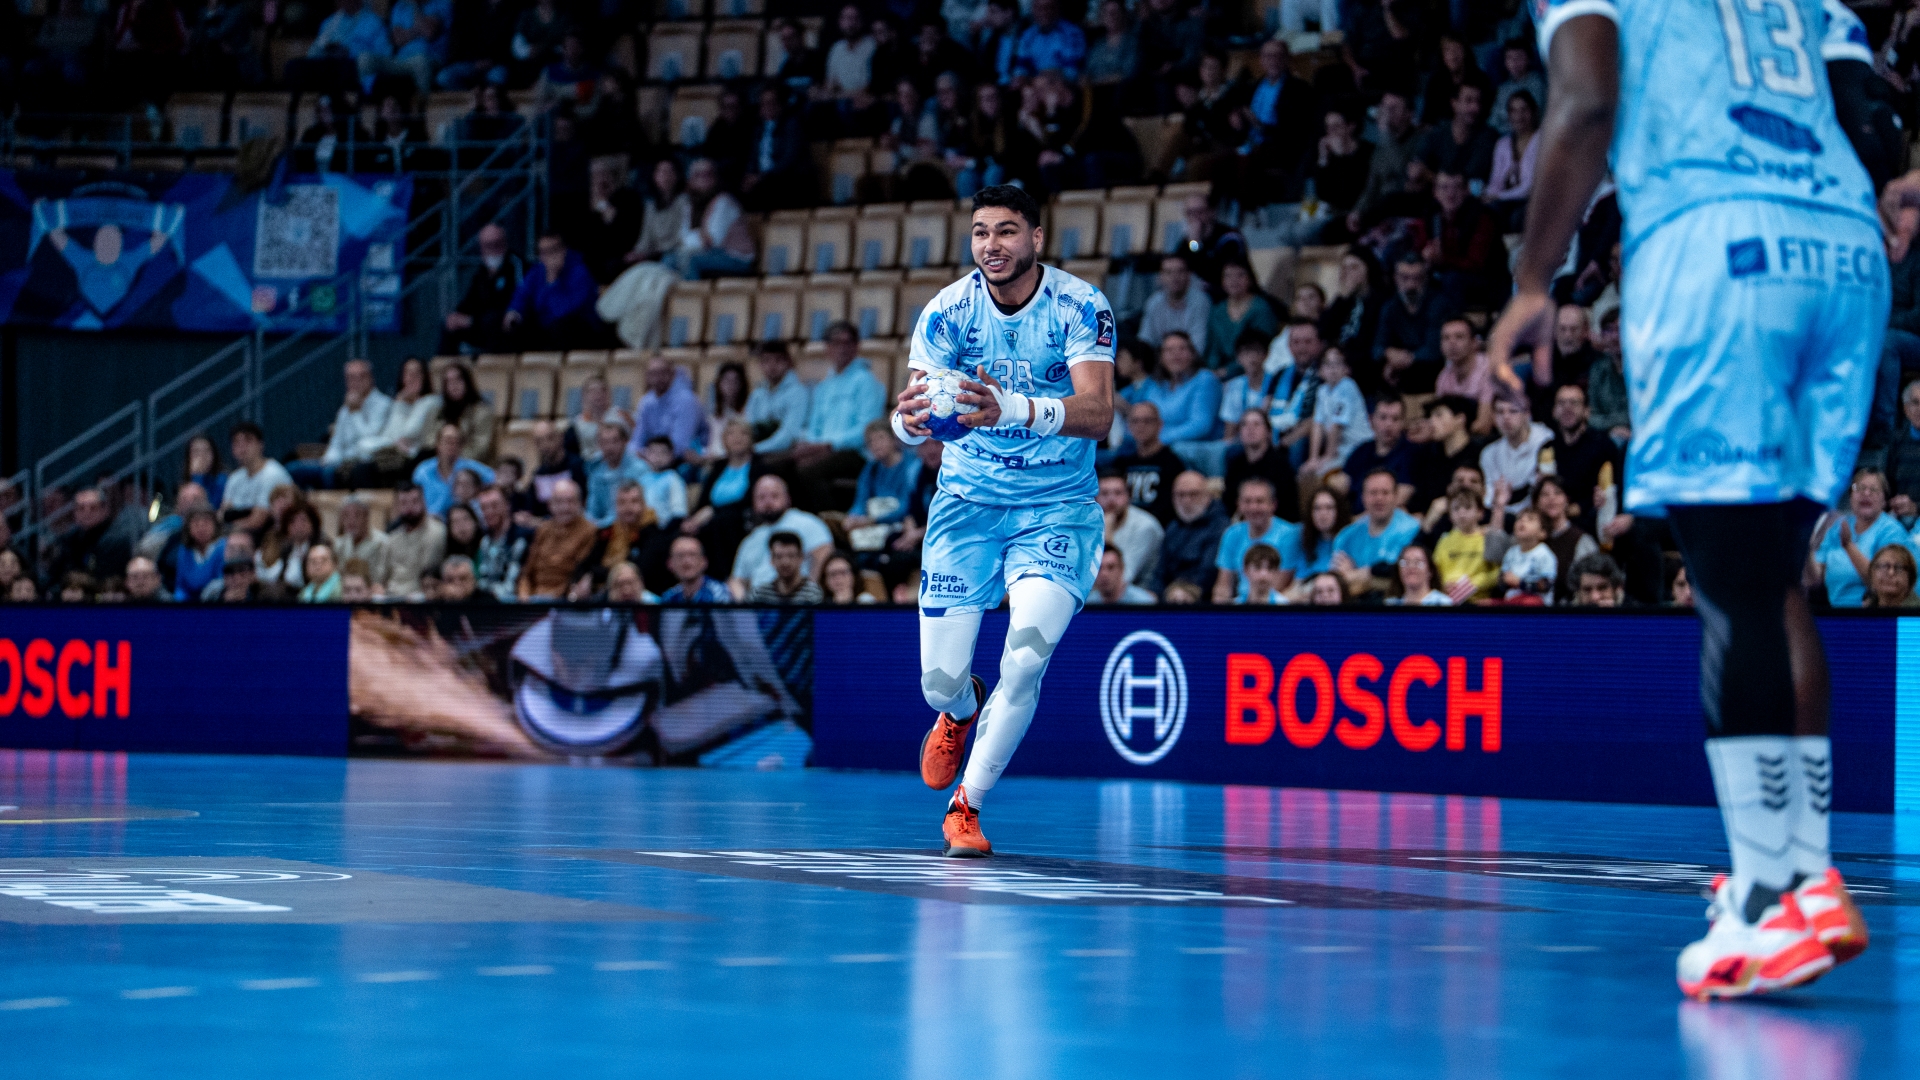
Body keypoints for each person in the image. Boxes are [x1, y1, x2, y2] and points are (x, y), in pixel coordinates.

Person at [1485, 0, 1903, 997]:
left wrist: (1534, 280)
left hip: (1717, 246)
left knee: (1733, 588)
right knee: (1775, 575)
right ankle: (1803, 876)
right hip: (1844, 248)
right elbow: (1875, 119)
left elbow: (1586, 102)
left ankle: (1767, 898)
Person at [894, 184, 1115, 858]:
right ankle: (960, 709)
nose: (992, 245)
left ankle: (967, 806)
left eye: (1007, 231)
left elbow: (1098, 413)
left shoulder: (1080, 305)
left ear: (1036, 238)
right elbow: (915, 412)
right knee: (938, 681)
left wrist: (1011, 408)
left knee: (1026, 659)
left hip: (1057, 507)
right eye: (981, 232)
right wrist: (906, 424)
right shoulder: (947, 312)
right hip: (967, 505)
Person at [791, 321, 888, 512]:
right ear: (827, 348)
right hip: (823, 450)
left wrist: (829, 445)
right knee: (783, 466)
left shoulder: (866, 381)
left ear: (856, 346)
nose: (842, 348)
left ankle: (830, 522)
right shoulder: (823, 386)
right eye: (836, 343)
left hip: (855, 453)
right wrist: (812, 445)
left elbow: (867, 430)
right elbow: (814, 426)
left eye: (847, 342)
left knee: (808, 472)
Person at [1809, 468, 1916, 608]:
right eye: (1859, 488)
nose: (1866, 493)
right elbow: (1814, 579)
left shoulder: (1891, 531)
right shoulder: (1837, 527)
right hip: (1834, 612)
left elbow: (1886, 582)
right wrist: (1807, 549)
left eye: (1874, 489)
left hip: (1874, 612)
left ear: (1884, 501)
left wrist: (1848, 546)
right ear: (1850, 496)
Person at [294, 359, 392, 489]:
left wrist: (355, 412)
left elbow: (369, 438)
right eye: (350, 378)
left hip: (362, 462)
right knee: (294, 469)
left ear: (370, 378)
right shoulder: (345, 409)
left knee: (329, 473)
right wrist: (327, 460)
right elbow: (336, 442)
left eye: (360, 377)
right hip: (339, 461)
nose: (355, 383)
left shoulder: (383, 404)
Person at [729, 475, 834, 596]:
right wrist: (743, 603)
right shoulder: (750, 540)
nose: (768, 502)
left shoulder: (807, 523)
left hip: (797, 598)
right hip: (759, 601)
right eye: (761, 497)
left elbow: (824, 552)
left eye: (774, 496)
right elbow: (736, 579)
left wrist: (810, 590)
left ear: (788, 498)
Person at [504, 233, 604, 349]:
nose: (548, 256)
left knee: (561, 328)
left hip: (578, 329)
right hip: (546, 326)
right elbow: (522, 294)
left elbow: (564, 311)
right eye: (543, 252)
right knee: (509, 326)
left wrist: (553, 281)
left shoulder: (580, 273)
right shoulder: (537, 272)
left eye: (553, 250)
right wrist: (514, 312)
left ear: (564, 250)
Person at [1331, 469, 1421, 596]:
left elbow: (1399, 576)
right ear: (1363, 497)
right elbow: (1337, 581)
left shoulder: (1413, 530)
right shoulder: (1346, 536)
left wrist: (1357, 575)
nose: (1379, 498)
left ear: (1396, 496)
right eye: (1373, 493)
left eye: (1385, 492)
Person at [576, 480, 670, 597]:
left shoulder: (654, 534)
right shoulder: (608, 532)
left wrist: (594, 575)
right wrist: (587, 576)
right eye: (622, 502)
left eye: (634, 501)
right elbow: (586, 565)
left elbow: (639, 571)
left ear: (643, 504)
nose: (628, 508)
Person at [1210, 476, 1294, 604]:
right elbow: (1223, 585)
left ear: (1273, 504)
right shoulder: (1232, 534)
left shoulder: (1289, 535)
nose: (1253, 507)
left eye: (1259, 501)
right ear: (1238, 505)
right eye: (1247, 501)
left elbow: (1279, 585)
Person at [1298, 348, 1370, 485]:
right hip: (1341, 449)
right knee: (1304, 471)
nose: (1333, 369)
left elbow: (1337, 425)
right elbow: (1317, 425)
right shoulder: (1322, 391)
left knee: (1321, 474)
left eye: (1338, 363)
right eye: (1328, 364)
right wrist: (1313, 458)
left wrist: (1328, 457)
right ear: (1320, 370)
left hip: (1360, 448)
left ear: (1346, 369)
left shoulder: (1347, 386)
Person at [517, 477, 595, 600]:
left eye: (570, 501)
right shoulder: (543, 529)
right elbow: (527, 572)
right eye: (559, 502)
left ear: (580, 504)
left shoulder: (589, 531)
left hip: (563, 599)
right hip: (534, 597)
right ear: (550, 505)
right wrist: (524, 595)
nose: (565, 508)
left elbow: (579, 574)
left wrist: (552, 598)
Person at [1110, 401, 1185, 525]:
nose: (1141, 426)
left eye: (1147, 421)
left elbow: (1169, 508)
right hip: (1122, 525)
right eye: (1135, 421)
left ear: (1159, 425)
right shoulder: (1121, 463)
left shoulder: (1172, 463)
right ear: (1129, 426)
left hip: (1156, 526)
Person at [1336, 394, 1415, 511]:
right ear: (1371, 419)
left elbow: (1397, 500)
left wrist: (1355, 520)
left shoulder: (1412, 455)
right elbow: (1340, 484)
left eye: (1395, 419)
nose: (1388, 424)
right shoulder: (1361, 451)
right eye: (1383, 417)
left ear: (1403, 422)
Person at [1154, 470, 1227, 595]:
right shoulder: (1173, 527)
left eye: (1193, 494)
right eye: (1180, 495)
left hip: (1200, 597)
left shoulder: (1220, 527)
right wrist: (1154, 593)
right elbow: (1160, 571)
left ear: (1208, 496)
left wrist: (1179, 592)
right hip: (1170, 595)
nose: (1186, 501)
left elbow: (1208, 573)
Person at [1480, 395, 1553, 516]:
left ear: (1527, 414)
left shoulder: (1546, 440)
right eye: (1500, 412)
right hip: (1505, 515)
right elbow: (1489, 497)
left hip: (1540, 514)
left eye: (1513, 411)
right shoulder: (1489, 453)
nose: (1506, 417)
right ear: (1493, 417)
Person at [1204, 263, 1280, 372]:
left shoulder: (1261, 309)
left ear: (1250, 279)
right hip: (1218, 373)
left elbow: (1261, 348)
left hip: (1252, 370)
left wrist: (1228, 371)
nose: (1234, 280)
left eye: (1240, 275)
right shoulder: (1218, 310)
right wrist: (1212, 370)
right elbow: (1213, 349)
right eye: (1228, 276)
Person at [220, 421, 294, 532]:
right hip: (237, 533)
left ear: (260, 445)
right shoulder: (235, 478)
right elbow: (222, 514)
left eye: (248, 440)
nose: (242, 447)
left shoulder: (272, 474)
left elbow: (258, 521)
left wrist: (231, 524)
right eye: (236, 442)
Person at [410, 423, 494, 518]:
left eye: (456, 442)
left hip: (461, 520)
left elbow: (495, 479)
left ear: (461, 447)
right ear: (438, 444)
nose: (452, 446)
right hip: (430, 521)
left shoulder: (470, 467)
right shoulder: (423, 471)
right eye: (448, 441)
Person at [1432, 490, 1501, 603]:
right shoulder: (1445, 540)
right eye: (1456, 508)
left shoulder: (1487, 539)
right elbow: (1435, 570)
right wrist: (1443, 584)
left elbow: (1499, 573)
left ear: (1480, 513)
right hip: (1447, 601)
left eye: (1467, 507)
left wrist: (1476, 583)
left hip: (1479, 601)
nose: (1461, 513)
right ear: (1450, 515)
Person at [1096, 472, 1161, 589]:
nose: (1111, 499)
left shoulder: (1145, 527)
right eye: (1104, 493)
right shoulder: (1090, 522)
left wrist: (1108, 534)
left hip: (1141, 592)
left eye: (1118, 493)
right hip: (1100, 592)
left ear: (1128, 496)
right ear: (1095, 498)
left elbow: (1121, 579)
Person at [633, 356, 704, 464]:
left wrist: (651, 455)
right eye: (653, 374)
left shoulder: (686, 400)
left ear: (672, 374)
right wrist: (638, 453)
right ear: (646, 377)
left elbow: (679, 446)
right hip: (652, 458)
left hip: (682, 461)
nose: (657, 378)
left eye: (662, 373)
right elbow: (637, 440)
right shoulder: (646, 401)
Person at [1138, 256, 1211, 359]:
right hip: (1159, 361)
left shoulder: (1200, 301)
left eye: (1180, 271)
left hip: (1191, 362)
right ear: (1160, 277)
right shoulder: (1153, 302)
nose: (1175, 277)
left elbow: (1198, 347)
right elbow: (1145, 341)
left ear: (1189, 275)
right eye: (1168, 272)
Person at [746, 342, 811, 455]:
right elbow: (748, 426)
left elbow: (789, 434)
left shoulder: (798, 392)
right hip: (756, 450)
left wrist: (756, 449)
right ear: (760, 365)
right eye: (766, 361)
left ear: (788, 363)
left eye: (778, 360)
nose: (772, 366)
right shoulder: (757, 394)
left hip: (786, 452)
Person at [385, 483, 447, 601]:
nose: (410, 508)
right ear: (397, 506)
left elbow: (429, 574)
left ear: (424, 502)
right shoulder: (392, 538)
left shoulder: (437, 532)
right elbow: (385, 575)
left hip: (421, 596)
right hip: (391, 595)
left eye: (414, 501)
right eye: (404, 503)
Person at [586, 418, 651, 528]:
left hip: (635, 526)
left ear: (625, 442)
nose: (609, 447)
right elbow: (592, 511)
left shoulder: (640, 469)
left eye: (614, 441)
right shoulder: (596, 474)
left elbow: (644, 506)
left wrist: (603, 524)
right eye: (605, 442)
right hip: (604, 529)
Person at [474, 484, 532, 600]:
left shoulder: (522, 538)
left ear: (507, 505)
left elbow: (511, 585)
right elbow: (483, 577)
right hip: (487, 602)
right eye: (484, 507)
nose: (489, 511)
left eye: (494, 505)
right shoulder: (484, 540)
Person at [748, 531, 826, 605]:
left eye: (791, 556)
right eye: (779, 556)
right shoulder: (760, 594)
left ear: (801, 558)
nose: (785, 562)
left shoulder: (813, 593)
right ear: (771, 559)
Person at [1500, 507, 1558, 604]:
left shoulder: (1544, 554)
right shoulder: (1511, 552)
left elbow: (1546, 585)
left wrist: (1520, 583)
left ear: (1542, 533)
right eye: (1519, 518)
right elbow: (1502, 581)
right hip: (1511, 600)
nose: (1522, 521)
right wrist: (1504, 581)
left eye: (1530, 519)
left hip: (1536, 603)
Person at [332, 497, 391, 592]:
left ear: (366, 517)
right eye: (346, 515)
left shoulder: (382, 542)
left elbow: (385, 576)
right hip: (347, 592)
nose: (351, 520)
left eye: (357, 515)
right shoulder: (339, 544)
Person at [661, 535, 733, 603]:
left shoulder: (718, 594)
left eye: (692, 555)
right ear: (670, 563)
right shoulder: (669, 597)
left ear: (704, 562)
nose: (686, 561)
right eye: (680, 556)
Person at [1089, 545, 1155, 605]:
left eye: (1111, 567)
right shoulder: (1087, 605)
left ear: (1121, 569)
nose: (1104, 574)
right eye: (1099, 568)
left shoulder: (1144, 603)